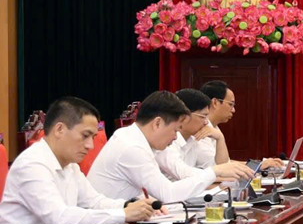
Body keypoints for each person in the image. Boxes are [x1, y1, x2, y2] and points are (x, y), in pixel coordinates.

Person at [0, 97, 155, 224]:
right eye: (85, 135)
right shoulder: (31, 164)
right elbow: (59, 218)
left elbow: (94, 202)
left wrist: (130, 206)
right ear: (59, 129)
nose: (90, 145)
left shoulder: (70, 165)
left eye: (93, 137)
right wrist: (123, 214)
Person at [88, 90, 254, 204]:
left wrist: (217, 172)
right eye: (174, 130)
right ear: (157, 123)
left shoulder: (140, 139)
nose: (175, 137)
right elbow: (168, 193)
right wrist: (214, 172)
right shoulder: (132, 147)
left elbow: (179, 177)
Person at [184, 80, 284, 170]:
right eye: (230, 104)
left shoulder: (214, 128)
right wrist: (258, 166)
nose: (233, 110)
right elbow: (218, 167)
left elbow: (225, 163)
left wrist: (258, 165)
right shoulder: (199, 129)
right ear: (215, 102)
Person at [155, 89, 220, 181]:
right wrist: (217, 172)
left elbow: (213, 165)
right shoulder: (167, 141)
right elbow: (182, 173)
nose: (206, 122)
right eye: (203, 116)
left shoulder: (194, 140)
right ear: (184, 116)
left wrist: (220, 138)